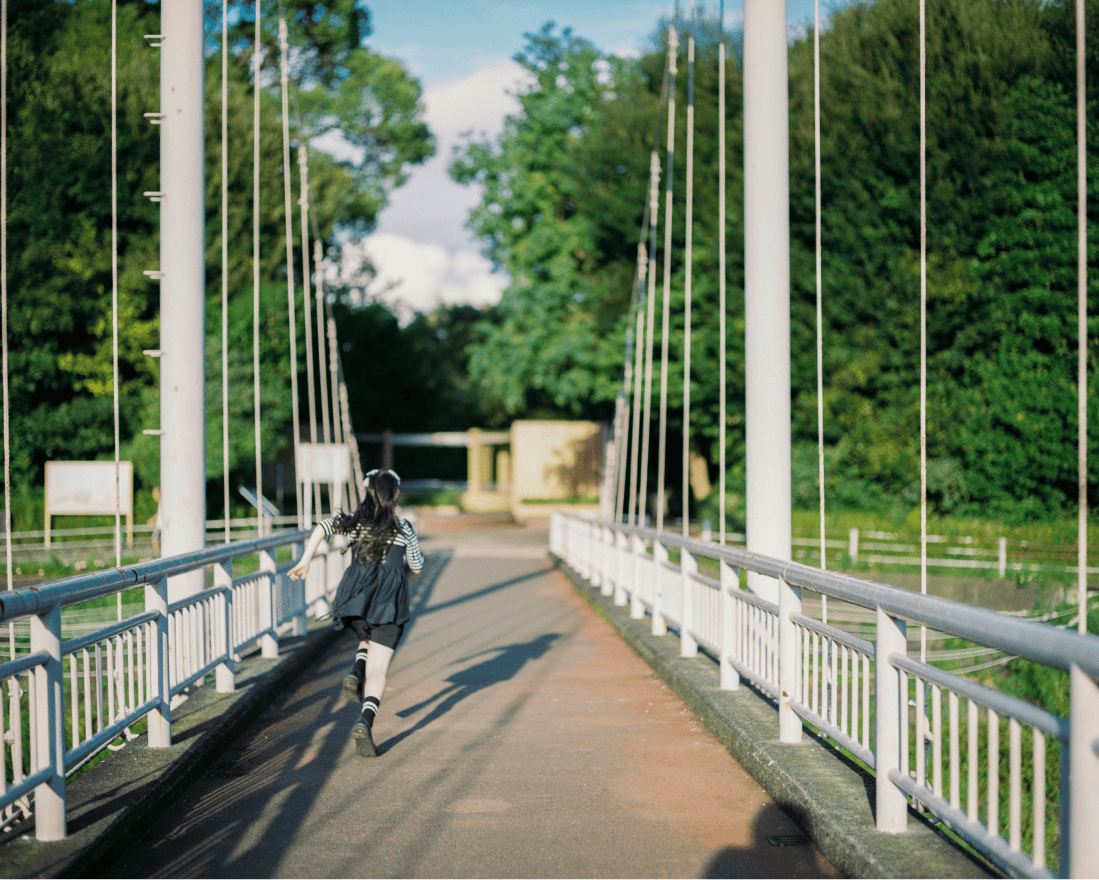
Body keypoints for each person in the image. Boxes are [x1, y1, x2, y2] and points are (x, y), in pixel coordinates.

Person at [289, 468, 423, 757]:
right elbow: (417, 566)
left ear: (368, 492)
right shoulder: (404, 528)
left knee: (366, 637)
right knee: (379, 669)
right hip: (389, 605)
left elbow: (324, 526)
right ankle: (365, 719)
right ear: (394, 495)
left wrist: (306, 559)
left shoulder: (354, 524)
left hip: (355, 602)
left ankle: (355, 669)